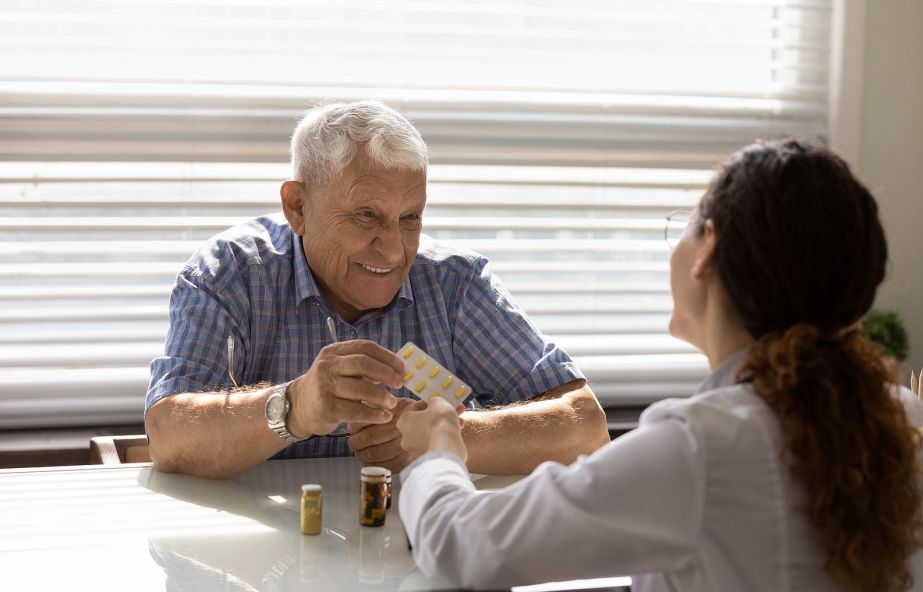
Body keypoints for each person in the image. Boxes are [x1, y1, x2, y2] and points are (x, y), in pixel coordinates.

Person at [397, 140, 923, 592]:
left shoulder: (700, 447)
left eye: (686, 226)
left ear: (708, 250)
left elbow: (460, 546)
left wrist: (437, 448)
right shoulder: (902, 415)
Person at [145, 100, 609, 480]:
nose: (392, 251)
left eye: (410, 218)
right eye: (366, 215)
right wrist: (295, 406)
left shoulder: (455, 285)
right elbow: (167, 435)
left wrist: (446, 438)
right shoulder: (230, 274)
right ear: (297, 206)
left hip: (417, 555)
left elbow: (585, 427)